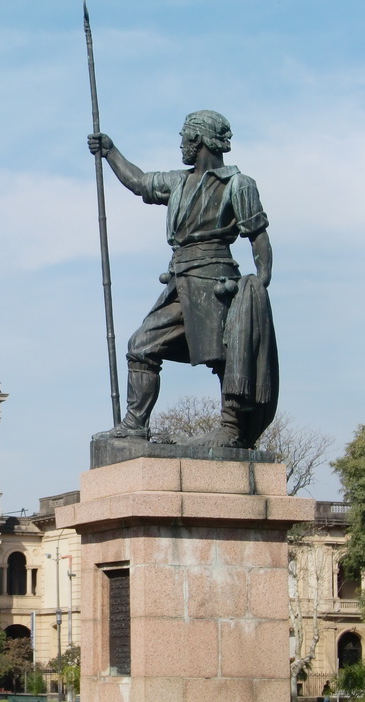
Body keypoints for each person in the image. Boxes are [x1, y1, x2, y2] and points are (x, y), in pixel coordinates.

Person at [88, 110, 278, 449]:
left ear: (201, 139)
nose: (181, 145)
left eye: (185, 138)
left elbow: (258, 238)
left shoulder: (238, 184)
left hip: (217, 281)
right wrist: (110, 152)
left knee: (225, 355)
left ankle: (231, 428)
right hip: (180, 279)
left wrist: (256, 289)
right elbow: (140, 182)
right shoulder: (179, 182)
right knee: (141, 346)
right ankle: (135, 425)